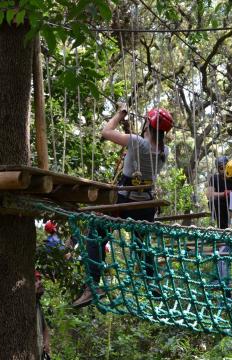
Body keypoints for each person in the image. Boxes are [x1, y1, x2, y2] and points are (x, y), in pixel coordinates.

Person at [72, 106, 172, 308]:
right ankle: (153, 283)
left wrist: (120, 114)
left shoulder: (137, 142)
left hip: (124, 202)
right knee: (142, 244)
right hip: (146, 205)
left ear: (148, 127)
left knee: (97, 232)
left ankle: (92, 286)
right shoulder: (164, 151)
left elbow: (106, 132)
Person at [205, 156, 232, 229]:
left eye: (226, 167)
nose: (224, 170)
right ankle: (222, 228)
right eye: (221, 168)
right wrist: (224, 194)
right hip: (220, 206)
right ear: (218, 169)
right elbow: (209, 195)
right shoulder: (214, 178)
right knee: (213, 202)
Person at [35, 271, 51, 359]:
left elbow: (45, 329)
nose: (40, 282)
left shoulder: (38, 305)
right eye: (35, 280)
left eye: (40, 279)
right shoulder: (24, 306)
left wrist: (46, 343)